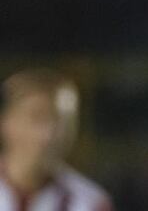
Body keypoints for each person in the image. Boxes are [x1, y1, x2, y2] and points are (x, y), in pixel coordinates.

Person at [0, 69, 112, 211]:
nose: (49, 133)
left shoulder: (90, 202)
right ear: (6, 122)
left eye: (61, 121)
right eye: (37, 118)